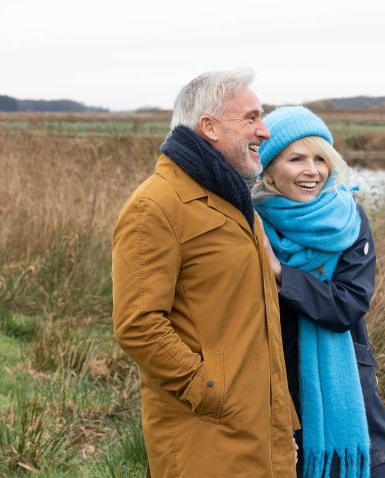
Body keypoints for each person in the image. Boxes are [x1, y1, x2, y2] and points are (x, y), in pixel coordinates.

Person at [112, 70, 299, 478]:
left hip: (261, 431)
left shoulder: (231, 198)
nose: (264, 131)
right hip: (206, 437)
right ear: (209, 126)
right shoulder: (156, 206)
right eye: (250, 118)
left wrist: (279, 423)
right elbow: (138, 324)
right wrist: (210, 390)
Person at [253, 106, 385, 478]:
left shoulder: (348, 219)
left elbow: (348, 304)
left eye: (320, 158)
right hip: (270, 389)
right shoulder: (246, 220)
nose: (312, 170)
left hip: (346, 390)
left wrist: (281, 273)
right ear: (268, 168)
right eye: (296, 158)